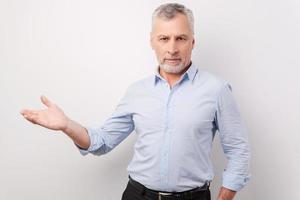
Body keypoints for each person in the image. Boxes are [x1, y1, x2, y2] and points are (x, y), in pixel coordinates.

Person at [20, 3, 250, 200]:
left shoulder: (216, 89)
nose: (172, 48)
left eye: (180, 38)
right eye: (164, 38)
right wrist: (66, 125)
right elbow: (102, 142)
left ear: (192, 41)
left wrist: (225, 195)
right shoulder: (137, 92)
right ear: (152, 42)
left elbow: (238, 148)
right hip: (138, 195)